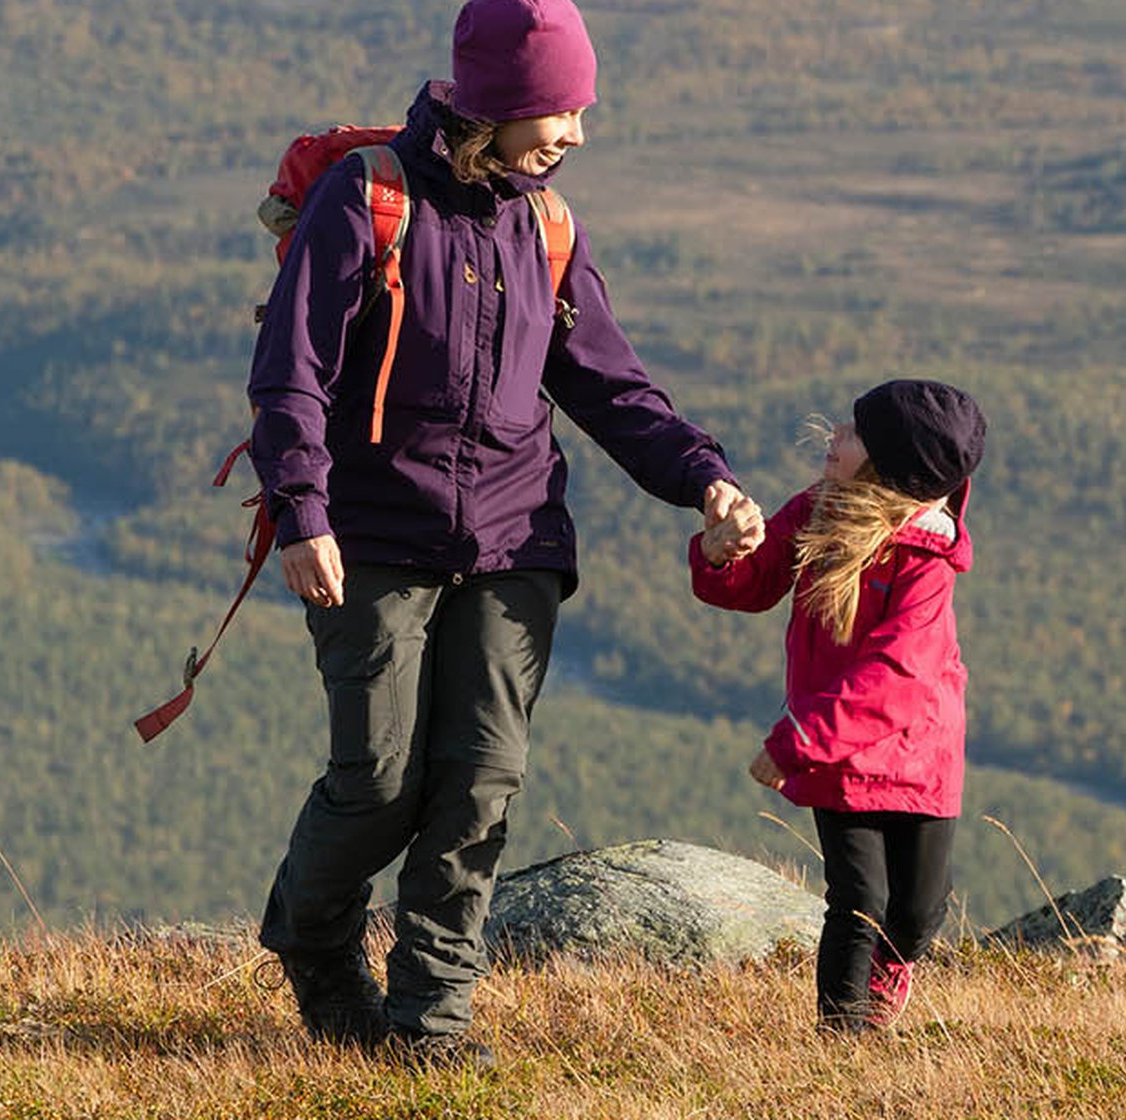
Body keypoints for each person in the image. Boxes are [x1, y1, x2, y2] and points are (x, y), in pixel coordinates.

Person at [246, 0, 765, 1065]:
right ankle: (312, 935)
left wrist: (702, 477)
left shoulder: (546, 226)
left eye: (577, 109)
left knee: (480, 778)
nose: (572, 132)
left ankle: (429, 1024)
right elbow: (291, 372)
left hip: (515, 541)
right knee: (380, 782)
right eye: (557, 109)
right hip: (372, 534)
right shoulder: (371, 197)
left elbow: (610, 384)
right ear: (493, 105)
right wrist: (302, 510)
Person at [690, 378, 984, 1033]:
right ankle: (842, 1042)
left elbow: (897, 675)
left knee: (919, 911)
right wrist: (719, 554)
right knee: (858, 901)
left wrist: (794, 740)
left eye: (853, 433)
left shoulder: (927, 562)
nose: (834, 436)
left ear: (888, 465)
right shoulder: (815, 511)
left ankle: (890, 968)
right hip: (838, 757)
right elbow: (755, 582)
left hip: (917, 756)